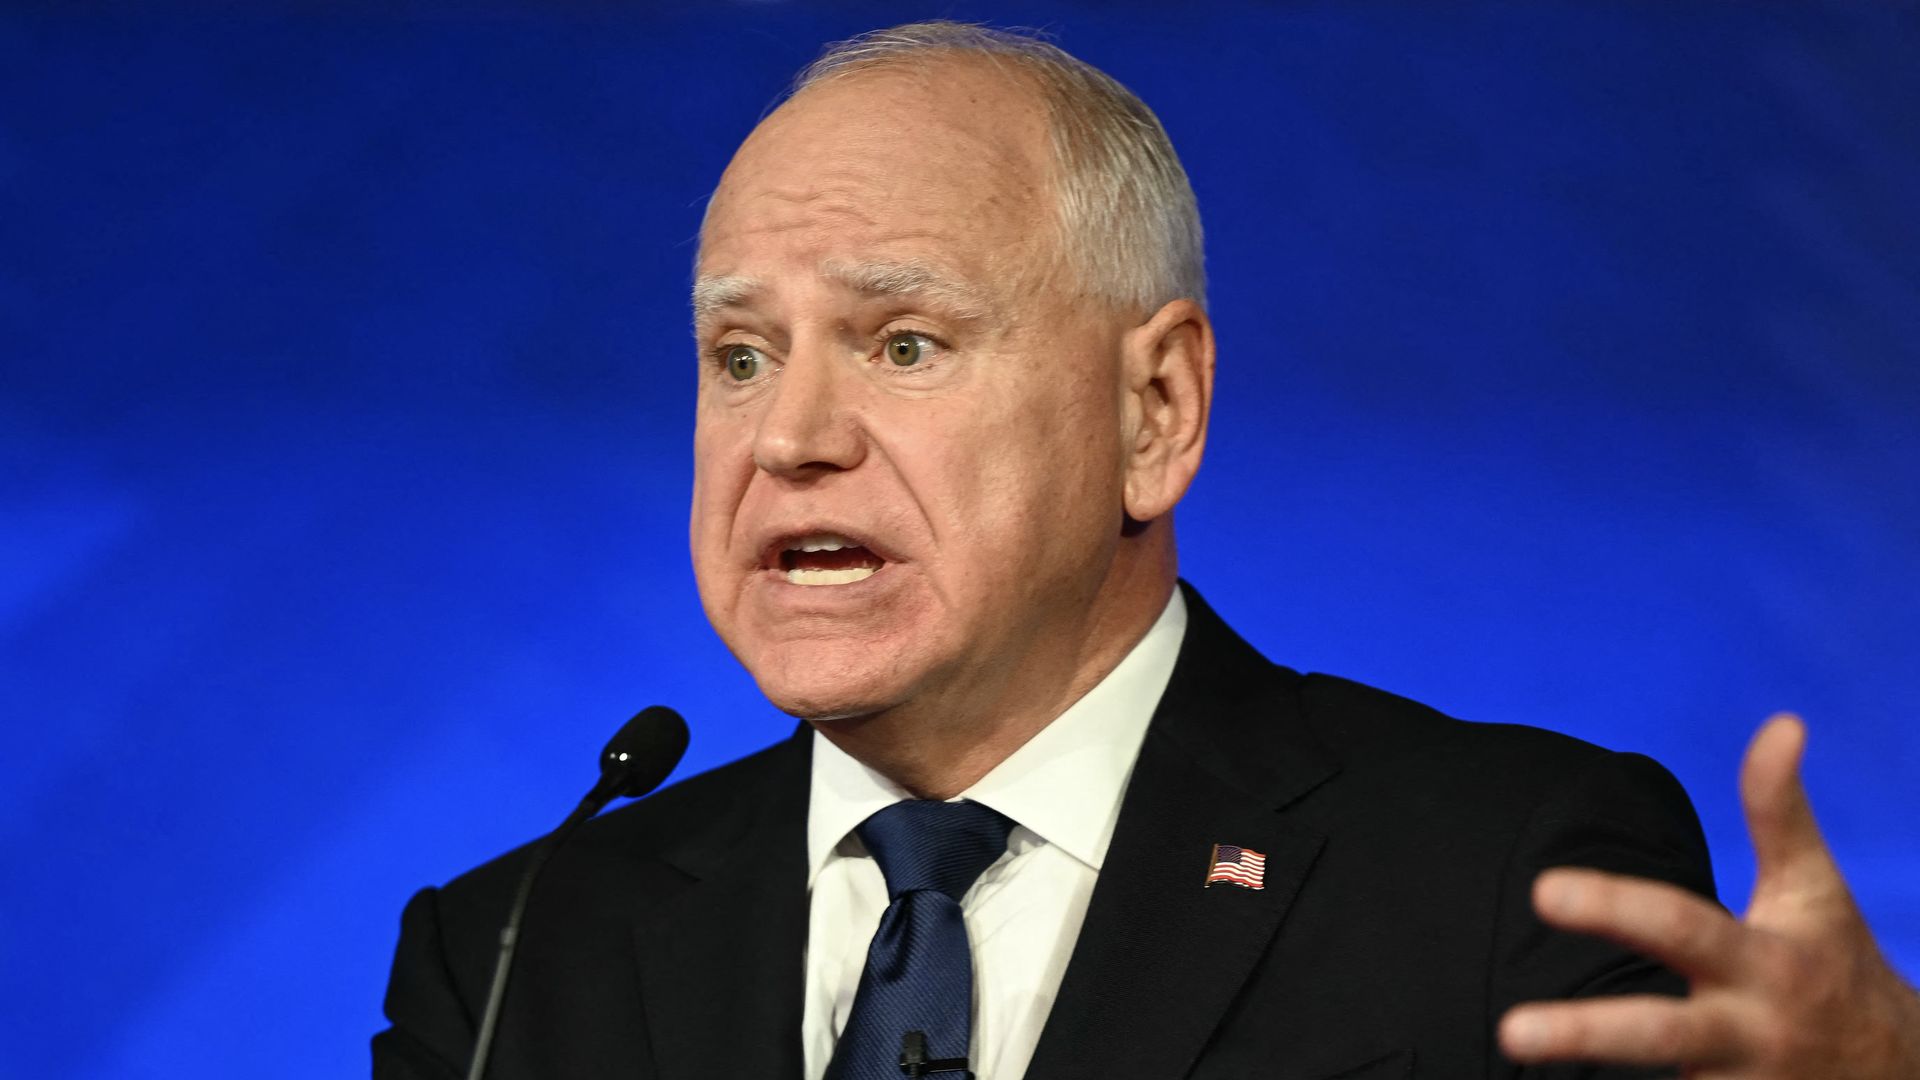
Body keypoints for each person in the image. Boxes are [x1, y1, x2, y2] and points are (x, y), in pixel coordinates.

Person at [374, 21, 1920, 1080]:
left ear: (1155, 409)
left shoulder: (1505, 876)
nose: (789, 438)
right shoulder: (517, 951)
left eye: (904, 344)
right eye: (739, 356)